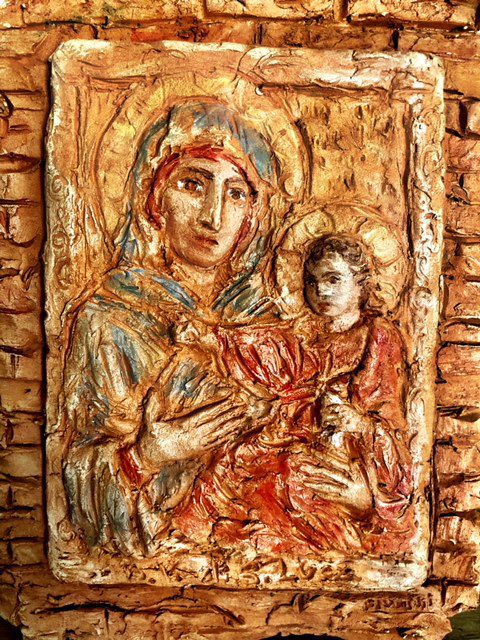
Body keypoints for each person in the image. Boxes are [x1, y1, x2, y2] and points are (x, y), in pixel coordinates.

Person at [61, 100, 302, 557]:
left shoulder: (272, 323)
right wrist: (148, 454)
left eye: (236, 193)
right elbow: (73, 480)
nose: (214, 216)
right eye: (193, 184)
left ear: (253, 215)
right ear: (155, 198)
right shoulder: (108, 319)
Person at [175, 233, 413, 555]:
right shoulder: (303, 334)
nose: (321, 291)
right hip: (281, 438)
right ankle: (195, 542)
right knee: (229, 467)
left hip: (344, 452)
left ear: (361, 283)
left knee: (290, 483)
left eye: (333, 279)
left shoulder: (377, 338)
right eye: (312, 282)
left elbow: (389, 418)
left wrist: (358, 423)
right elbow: (260, 346)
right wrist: (208, 338)